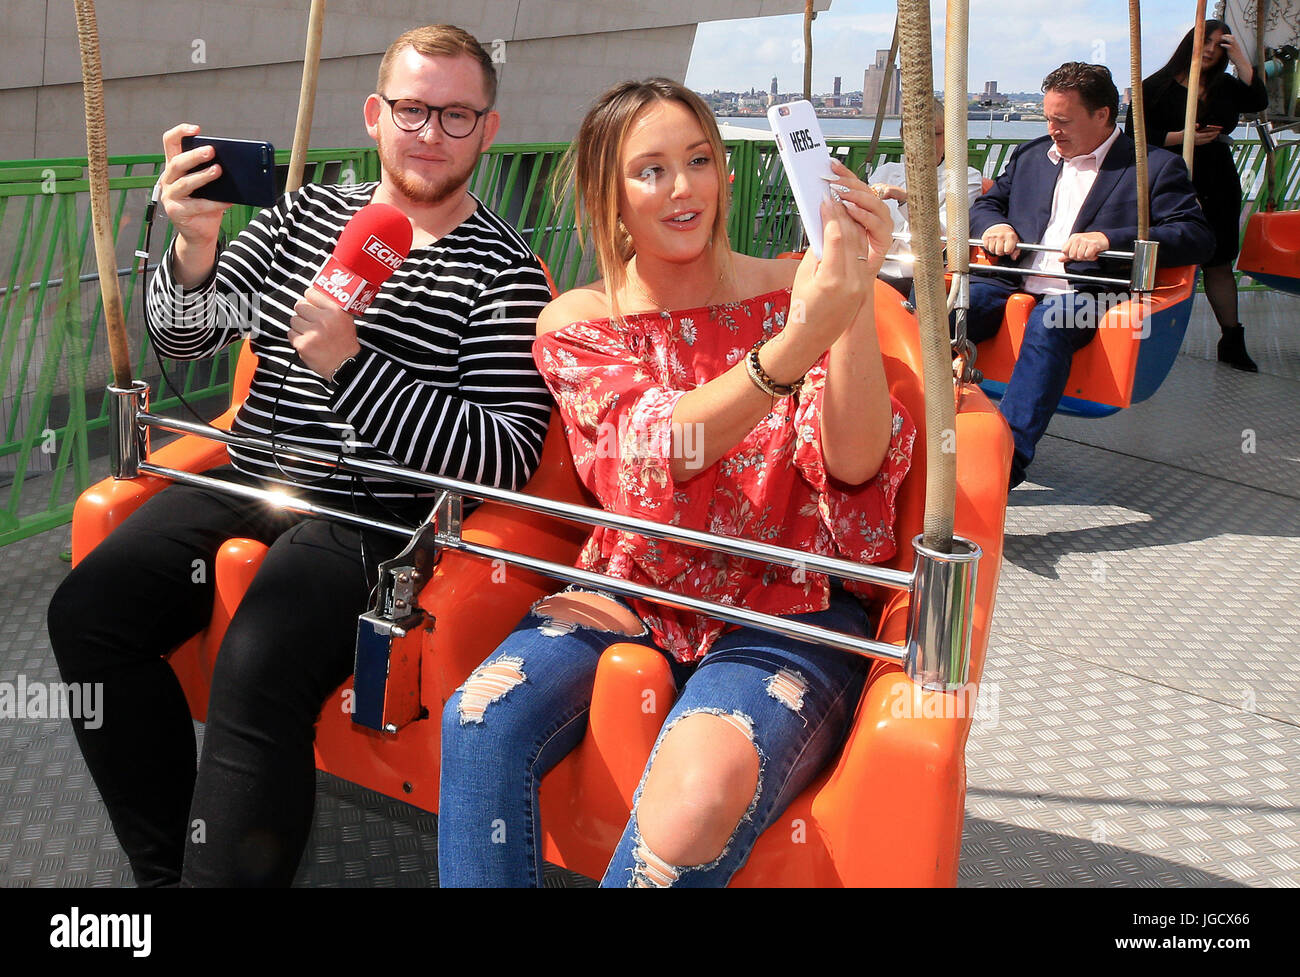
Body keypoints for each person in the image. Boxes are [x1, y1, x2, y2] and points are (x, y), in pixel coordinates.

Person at [46, 24, 554, 887]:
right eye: (412, 109)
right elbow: (183, 332)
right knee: (89, 611)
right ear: (374, 115)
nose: (430, 132)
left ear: (489, 130)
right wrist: (193, 246)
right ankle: (169, 872)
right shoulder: (305, 212)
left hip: (376, 511)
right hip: (257, 468)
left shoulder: (504, 272)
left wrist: (352, 368)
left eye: (457, 115)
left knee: (259, 660)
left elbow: (502, 454)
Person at [437, 78, 915, 888]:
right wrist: (796, 346)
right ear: (609, 193)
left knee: (693, 799)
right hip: (634, 581)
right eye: (650, 170)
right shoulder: (577, 321)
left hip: (786, 596)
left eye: (699, 160)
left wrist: (852, 299)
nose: (683, 187)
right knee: (480, 715)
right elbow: (661, 449)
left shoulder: (797, 287)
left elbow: (857, 464)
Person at [964, 62, 1214, 489]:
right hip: (1013, 281)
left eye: (1062, 120)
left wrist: (1108, 239)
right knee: (947, 310)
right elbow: (986, 206)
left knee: (1050, 322)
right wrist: (994, 226)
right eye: (1048, 118)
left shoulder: (1153, 167)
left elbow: (1195, 236)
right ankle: (919, 431)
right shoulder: (1030, 157)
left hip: (1091, 289)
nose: (1053, 129)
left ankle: (1005, 462)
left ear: (1102, 115)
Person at [1125, 20, 1268, 372]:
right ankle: (1142, 339)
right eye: (1206, 41)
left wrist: (1241, 58)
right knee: (1161, 257)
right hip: (1170, 176)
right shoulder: (1155, 87)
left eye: (1219, 45)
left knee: (1219, 260)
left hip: (1218, 176)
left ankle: (1232, 340)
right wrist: (1181, 136)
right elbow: (1134, 135)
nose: (1210, 50)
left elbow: (1257, 100)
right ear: (1190, 41)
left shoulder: (1227, 86)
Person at [868, 97, 984, 298]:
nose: (926, 143)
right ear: (904, 136)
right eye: (917, 134)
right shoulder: (886, 172)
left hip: (920, 276)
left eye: (936, 134)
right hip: (873, 268)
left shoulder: (964, 178)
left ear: (948, 136)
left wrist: (905, 199)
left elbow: (941, 237)